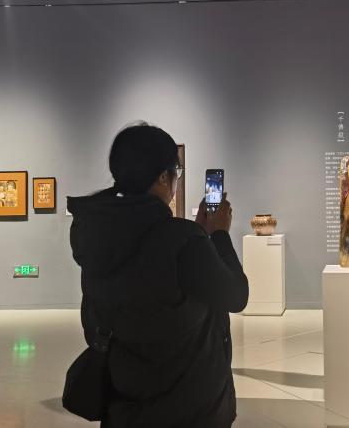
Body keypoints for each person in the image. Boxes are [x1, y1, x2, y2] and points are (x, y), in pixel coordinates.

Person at [67, 123, 249, 427]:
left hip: (125, 405)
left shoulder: (96, 233)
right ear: (164, 177)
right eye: (176, 172)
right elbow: (236, 295)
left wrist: (197, 236)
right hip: (189, 408)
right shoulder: (184, 240)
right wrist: (218, 235)